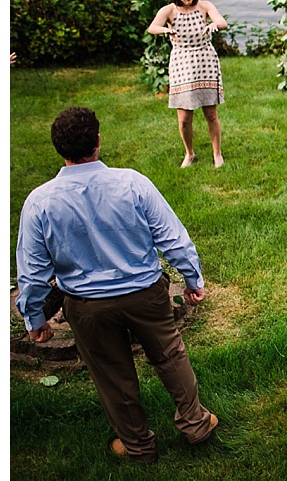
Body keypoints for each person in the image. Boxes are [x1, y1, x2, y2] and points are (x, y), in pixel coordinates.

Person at [15, 107, 218, 463]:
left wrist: (35, 318)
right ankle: (196, 424)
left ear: (58, 149)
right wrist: (192, 279)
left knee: (113, 374)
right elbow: (173, 239)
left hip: (86, 306)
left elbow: (31, 273)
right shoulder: (132, 183)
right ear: (97, 140)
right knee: (171, 356)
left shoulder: (40, 202)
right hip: (145, 294)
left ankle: (138, 445)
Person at [147, 0, 228, 168]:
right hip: (181, 64)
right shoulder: (169, 10)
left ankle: (217, 154)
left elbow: (222, 22)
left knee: (211, 114)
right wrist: (166, 29)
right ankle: (189, 153)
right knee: (184, 118)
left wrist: (213, 25)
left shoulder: (204, 6)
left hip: (205, 62)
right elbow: (152, 27)